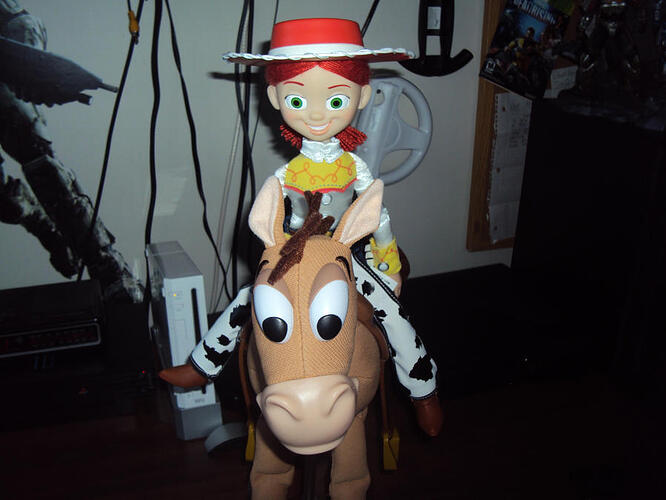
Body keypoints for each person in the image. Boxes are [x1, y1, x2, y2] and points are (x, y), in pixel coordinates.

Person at [162, 18, 443, 436]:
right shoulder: (286, 174)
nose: (315, 114)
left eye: (335, 100)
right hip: (294, 254)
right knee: (246, 299)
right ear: (275, 97)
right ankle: (204, 364)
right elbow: (271, 217)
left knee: (393, 316)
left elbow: (376, 213)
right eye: (297, 100)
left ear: (363, 95)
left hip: (345, 255)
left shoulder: (354, 167)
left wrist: (388, 260)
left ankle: (424, 390)